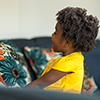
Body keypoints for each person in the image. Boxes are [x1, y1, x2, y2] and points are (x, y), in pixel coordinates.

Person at [24, 7, 99, 94]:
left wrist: (17, 95)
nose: (52, 34)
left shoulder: (69, 62)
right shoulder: (74, 58)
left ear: (67, 42)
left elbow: (39, 85)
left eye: (55, 33)